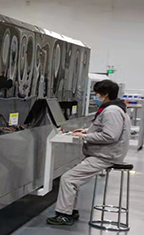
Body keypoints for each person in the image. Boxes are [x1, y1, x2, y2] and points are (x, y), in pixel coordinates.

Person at [47, 79, 130, 226]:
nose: (95, 96)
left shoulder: (111, 111)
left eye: (97, 93)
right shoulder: (114, 108)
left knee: (68, 179)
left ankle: (64, 215)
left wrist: (85, 137)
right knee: (73, 179)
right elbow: (104, 128)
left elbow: (110, 136)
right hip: (105, 154)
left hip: (105, 156)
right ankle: (70, 211)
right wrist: (86, 131)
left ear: (105, 94)